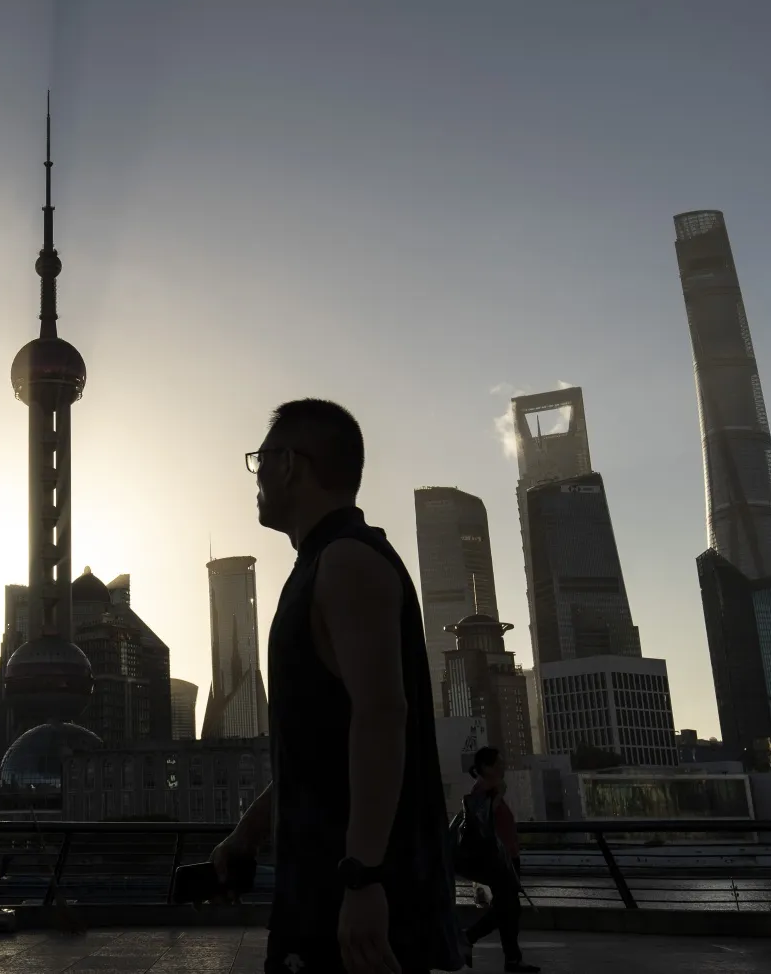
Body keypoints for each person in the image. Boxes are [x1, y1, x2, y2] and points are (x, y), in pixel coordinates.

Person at [213, 399, 459, 974]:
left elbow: (380, 716)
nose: (258, 475)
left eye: (262, 460)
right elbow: (327, 745)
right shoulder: (321, 563)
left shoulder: (347, 561)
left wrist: (364, 877)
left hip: (357, 912)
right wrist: (249, 833)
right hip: (322, 896)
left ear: (292, 465)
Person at [457, 747, 536, 972]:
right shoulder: (481, 791)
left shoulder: (490, 789)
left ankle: (512, 959)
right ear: (485, 767)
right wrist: (499, 795)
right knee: (507, 909)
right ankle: (469, 938)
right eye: (498, 763)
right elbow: (485, 822)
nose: (503, 767)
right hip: (499, 861)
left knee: (507, 908)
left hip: (507, 858)